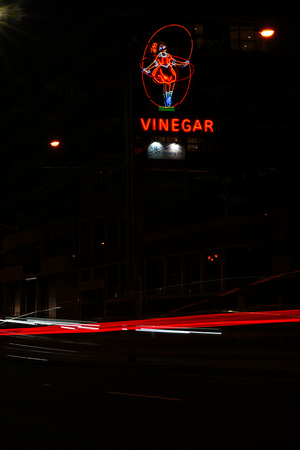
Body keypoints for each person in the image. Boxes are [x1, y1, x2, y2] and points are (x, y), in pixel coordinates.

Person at [143, 42, 189, 107]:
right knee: (166, 84)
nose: (162, 48)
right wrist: (147, 68)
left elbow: (174, 62)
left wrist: (182, 63)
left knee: (172, 82)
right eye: (160, 47)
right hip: (162, 71)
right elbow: (154, 64)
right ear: (159, 49)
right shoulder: (159, 56)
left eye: (163, 47)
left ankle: (169, 97)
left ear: (166, 48)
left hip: (169, 70)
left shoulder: (168, 55)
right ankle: (166, 99)